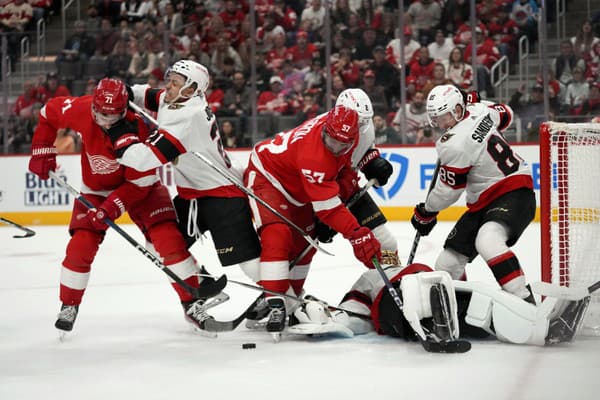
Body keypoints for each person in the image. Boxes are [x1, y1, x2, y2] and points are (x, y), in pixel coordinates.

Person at [27, 78, 220, 334]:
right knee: (81, 244)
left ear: (125, 109)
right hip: (96, 189)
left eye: (113, 116)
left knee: (167, 241)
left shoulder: (142, 127)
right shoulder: (80, 109)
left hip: (144, 188)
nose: (106, 121)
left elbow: (139, 184)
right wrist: (42, 149)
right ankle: (68, 304)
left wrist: (111, 207)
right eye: (100, 114)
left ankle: (192, 301)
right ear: (94, 105)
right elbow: (47, 113)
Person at [116, 60, 262, 299]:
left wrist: (116, 132)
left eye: (175, 82)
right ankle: (201, 282)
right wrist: (125, 91)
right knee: (160, 244)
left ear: (192, 89)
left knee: (248, 263)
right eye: (170, 80)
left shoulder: (188, 118)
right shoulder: (177, 99)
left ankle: (289, 301)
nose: (168, 87)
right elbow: (148, 95)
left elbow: (141, 160)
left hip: (221, 195)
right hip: (191, 195)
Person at [243, 105, 383, 335]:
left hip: (300, 186)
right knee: (277, 235)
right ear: (325, 129)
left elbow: (345, 169)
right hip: (268, 177)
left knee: (306, 245)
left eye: (342, 144)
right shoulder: (314, 154)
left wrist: (347, 188)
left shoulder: (347, 134)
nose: (335, 147)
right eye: (331, 140)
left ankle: (292, 296)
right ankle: (278, 302)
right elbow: (327, 209)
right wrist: (356, 234)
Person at [289, 256, 592, 347]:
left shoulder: (416, 267)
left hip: (443, 289)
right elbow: (353, 317)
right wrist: (323, 318)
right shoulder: (371, 277)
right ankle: (435, 318)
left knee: (485, 305)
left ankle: (545, 327)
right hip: (399, 306)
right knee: (419, 292)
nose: (388, 256)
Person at [411, 84, 536, 303]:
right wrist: (481, 103)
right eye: (436, 118)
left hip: (512, 191)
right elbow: (507, 114)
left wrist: (427, 210)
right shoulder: (480, 110)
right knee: (447, 264)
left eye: (444, 117)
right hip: (483, 201)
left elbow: (449, 192)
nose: (439, 124)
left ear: (458, 110)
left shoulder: (454, 145)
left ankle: (525, 302)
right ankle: (460, 309)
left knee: (488, 240)